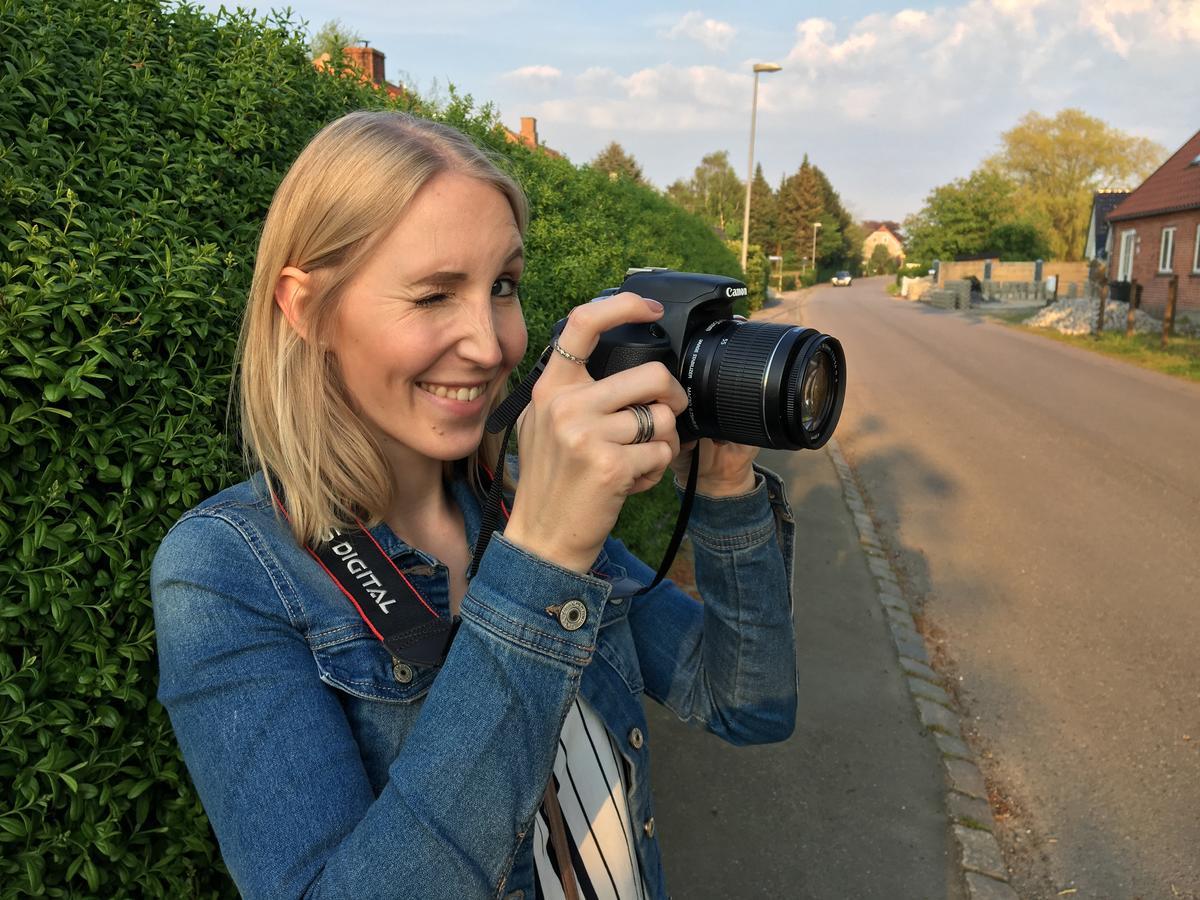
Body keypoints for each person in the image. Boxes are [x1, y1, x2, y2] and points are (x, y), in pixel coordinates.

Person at [151, 110, 798, 900]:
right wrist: (542, 565)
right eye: (432, 295)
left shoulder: (514, 505)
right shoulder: (226, 571)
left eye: (502, 287)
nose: (491, 346)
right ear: (306, 307)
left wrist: (726, 486)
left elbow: (744, 705)